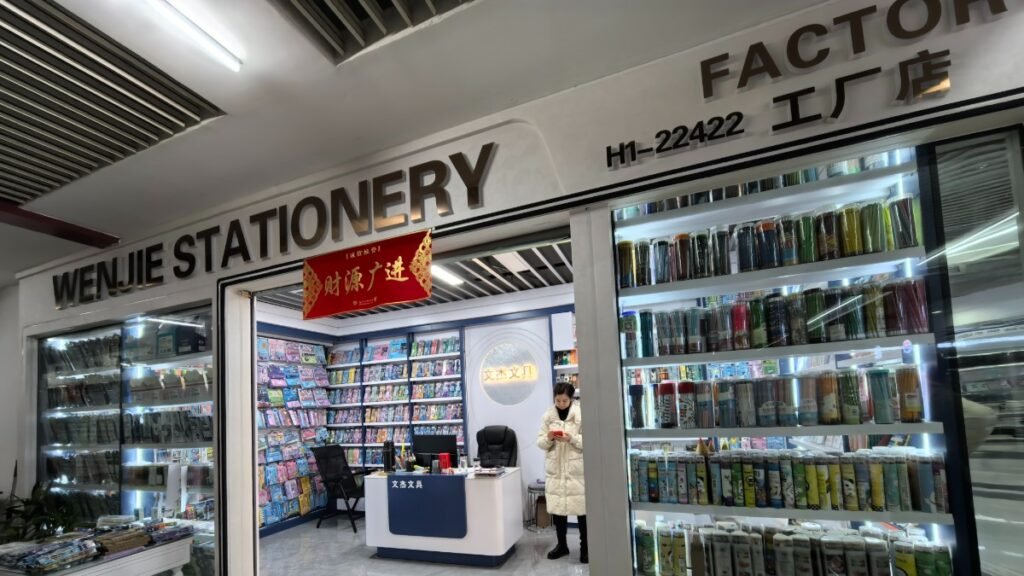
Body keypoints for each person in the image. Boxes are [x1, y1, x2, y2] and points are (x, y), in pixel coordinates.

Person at [536, 382, 587, 563]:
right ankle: (562, 546)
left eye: (565, 400)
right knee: (558, 510)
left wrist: (571, 438)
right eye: (558, 400)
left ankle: (585, 549)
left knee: (582, 511)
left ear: (571, 399)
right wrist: (549, 438)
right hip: (556, 469)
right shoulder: (548, 416)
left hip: (576, 470)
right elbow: (540, 443)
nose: (561, 403)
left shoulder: (581, 414)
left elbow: (588, 440)